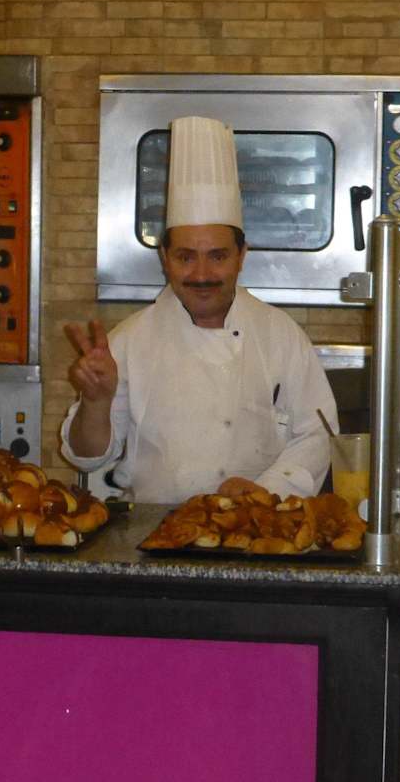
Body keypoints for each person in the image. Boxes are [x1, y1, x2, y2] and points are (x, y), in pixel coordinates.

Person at [60, 116, 337, 504]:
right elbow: (87, 457)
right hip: (154, 530)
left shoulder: (281, 335)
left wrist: (265, 492)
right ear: (165, 258)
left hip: (256, 526)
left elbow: (317, 434)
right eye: (186, 257)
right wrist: (95, 402)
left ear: (242, 255)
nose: (202, 274)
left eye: (218, 256)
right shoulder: (131, 341)